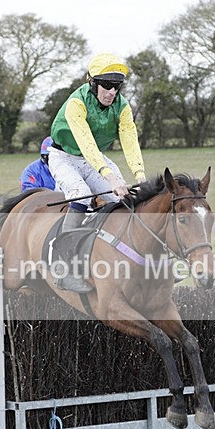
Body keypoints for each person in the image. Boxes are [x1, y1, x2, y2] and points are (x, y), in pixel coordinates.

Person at [48, 52, 147, 292]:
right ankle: (63, 268)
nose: (112, 92)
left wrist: (141, 176)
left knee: (121, 200)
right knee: (81, 193)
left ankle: (107, 256)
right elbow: (86, 143)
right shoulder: (76, 103)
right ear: (92, 82)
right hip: (64, 157)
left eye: (117, 86)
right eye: (106, 85)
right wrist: (109, 176)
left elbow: (130, 140)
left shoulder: (122, 107)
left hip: (92, 159)